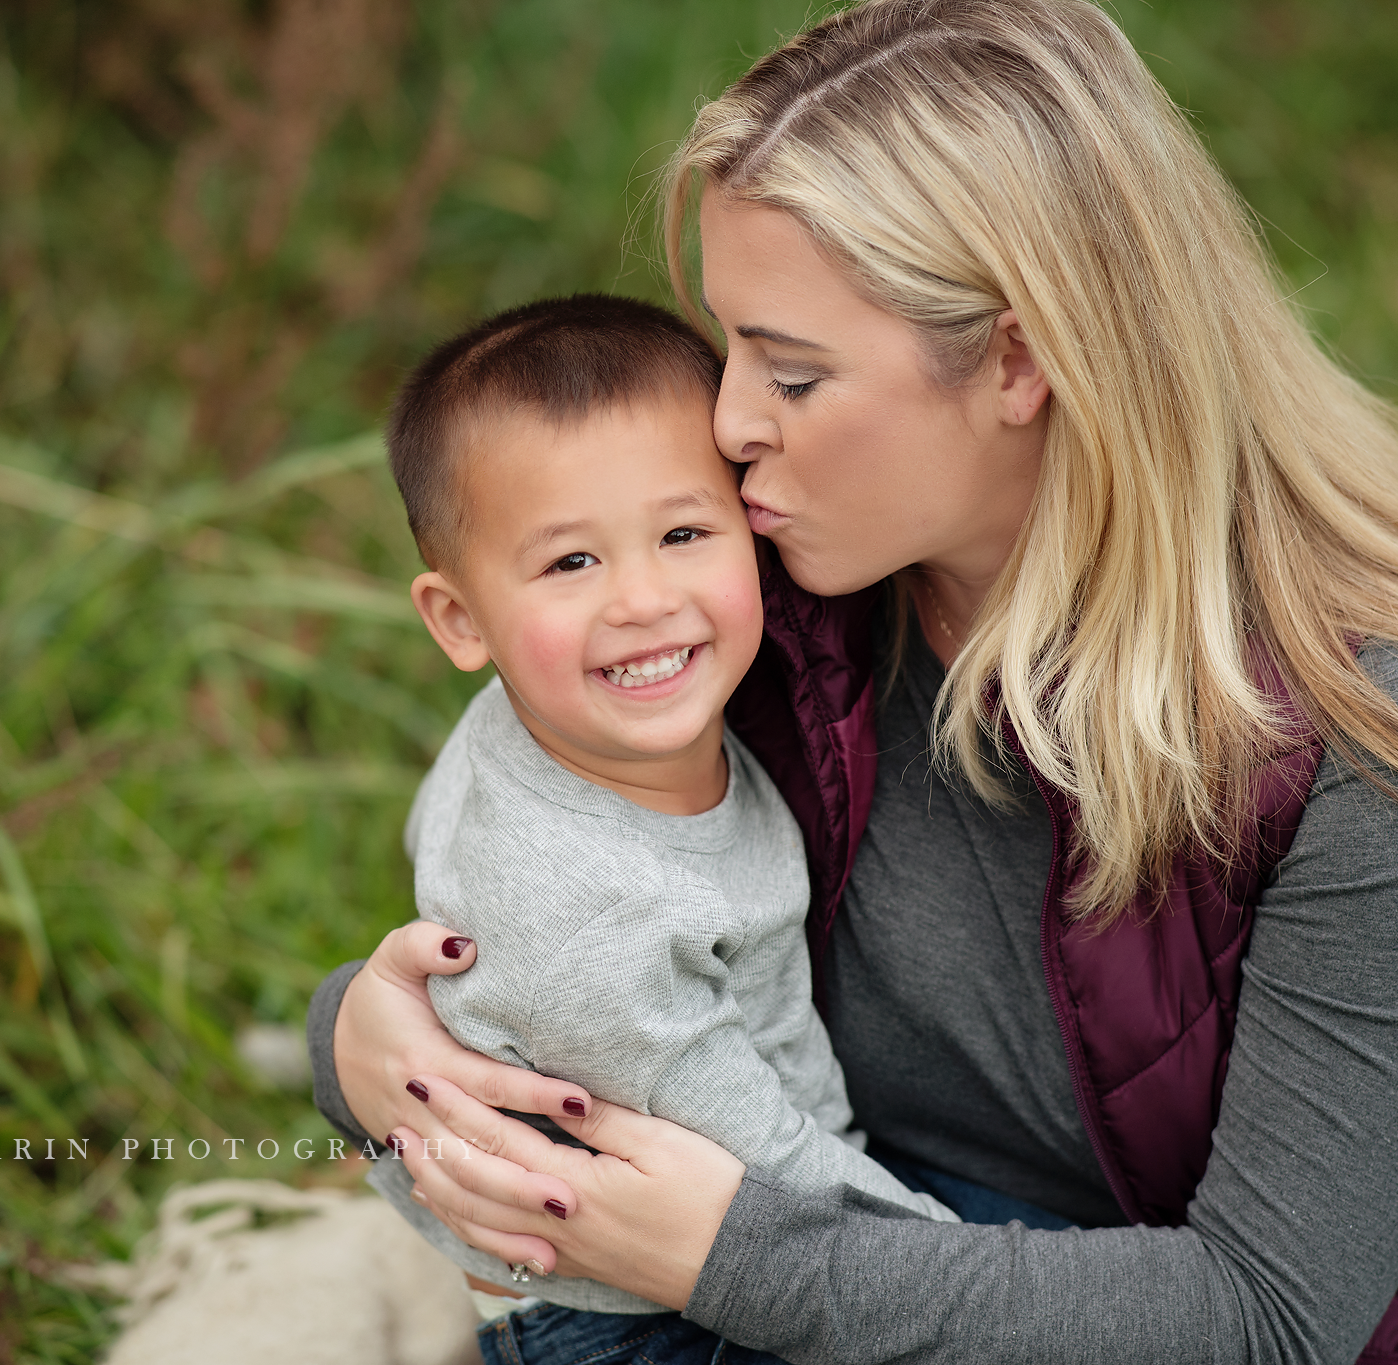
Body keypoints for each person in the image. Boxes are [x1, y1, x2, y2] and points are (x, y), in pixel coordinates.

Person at [310, 2, 1398, 1361]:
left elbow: (1271, 1316)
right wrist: (361, 1042)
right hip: (837, 1237)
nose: (726, 424)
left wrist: (727, 1255)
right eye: (731, 348)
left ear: (1018, 359)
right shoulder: (760, 587)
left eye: (794, 369)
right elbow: (567, 883)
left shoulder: (1394, 721)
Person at [366, 293, 972, 1365]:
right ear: (460, 621)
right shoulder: (592, 926)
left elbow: (430, 826)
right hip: (638, 1307)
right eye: (570, 563)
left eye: (683, 533)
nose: (643, 598)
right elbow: (761, 1177)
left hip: (745, 1201)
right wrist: (956, 1271)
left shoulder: (546, 717)